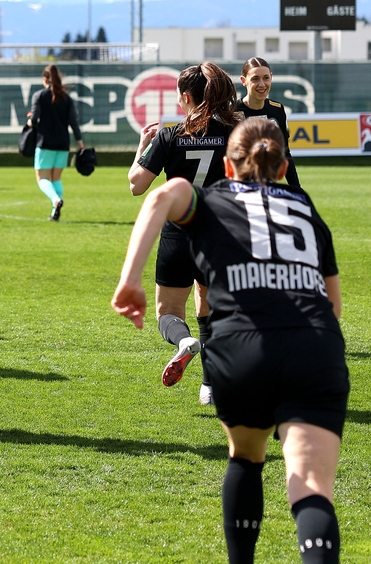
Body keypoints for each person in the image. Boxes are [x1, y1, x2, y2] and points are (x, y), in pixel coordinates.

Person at [113, 118, 347, 564]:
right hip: (313, 345)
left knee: (246, 457)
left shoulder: (211, 200)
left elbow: (161, 197)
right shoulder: (308, 212)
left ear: (226, 166)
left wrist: (129, 280)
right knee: (309, 484)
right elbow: (332, 304)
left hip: (240, 347)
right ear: (285, 167)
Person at [127, 62, 241, 406]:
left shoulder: (170, 135)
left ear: (186, 97)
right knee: (210, 308)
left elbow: (136, 184)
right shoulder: (236, 133)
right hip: (221, 234)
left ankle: (182, 343)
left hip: (179, 234)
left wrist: (141, 147)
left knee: (168, 313)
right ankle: (211, 382)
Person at [27, 64, 84, 221]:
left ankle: (55, 200)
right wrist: (80, 142)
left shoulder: (39, 96)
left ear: (45, 79)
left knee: (42, 178)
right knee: (56, 178)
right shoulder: (67, 98)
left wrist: (30, 121)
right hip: (63, 144)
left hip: (45, 143)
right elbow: (74, 122)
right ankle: (55, 214)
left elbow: (35, 118)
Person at [237, 56, 301, 186]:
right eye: (255, 79)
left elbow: (284, 152)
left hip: (268, 185)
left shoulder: (277, 110)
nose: (262, 84)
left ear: (271, 77)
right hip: (238, 186)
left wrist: (296, 188)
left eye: (266, 78)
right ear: (244, 81)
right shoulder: (231, 112)